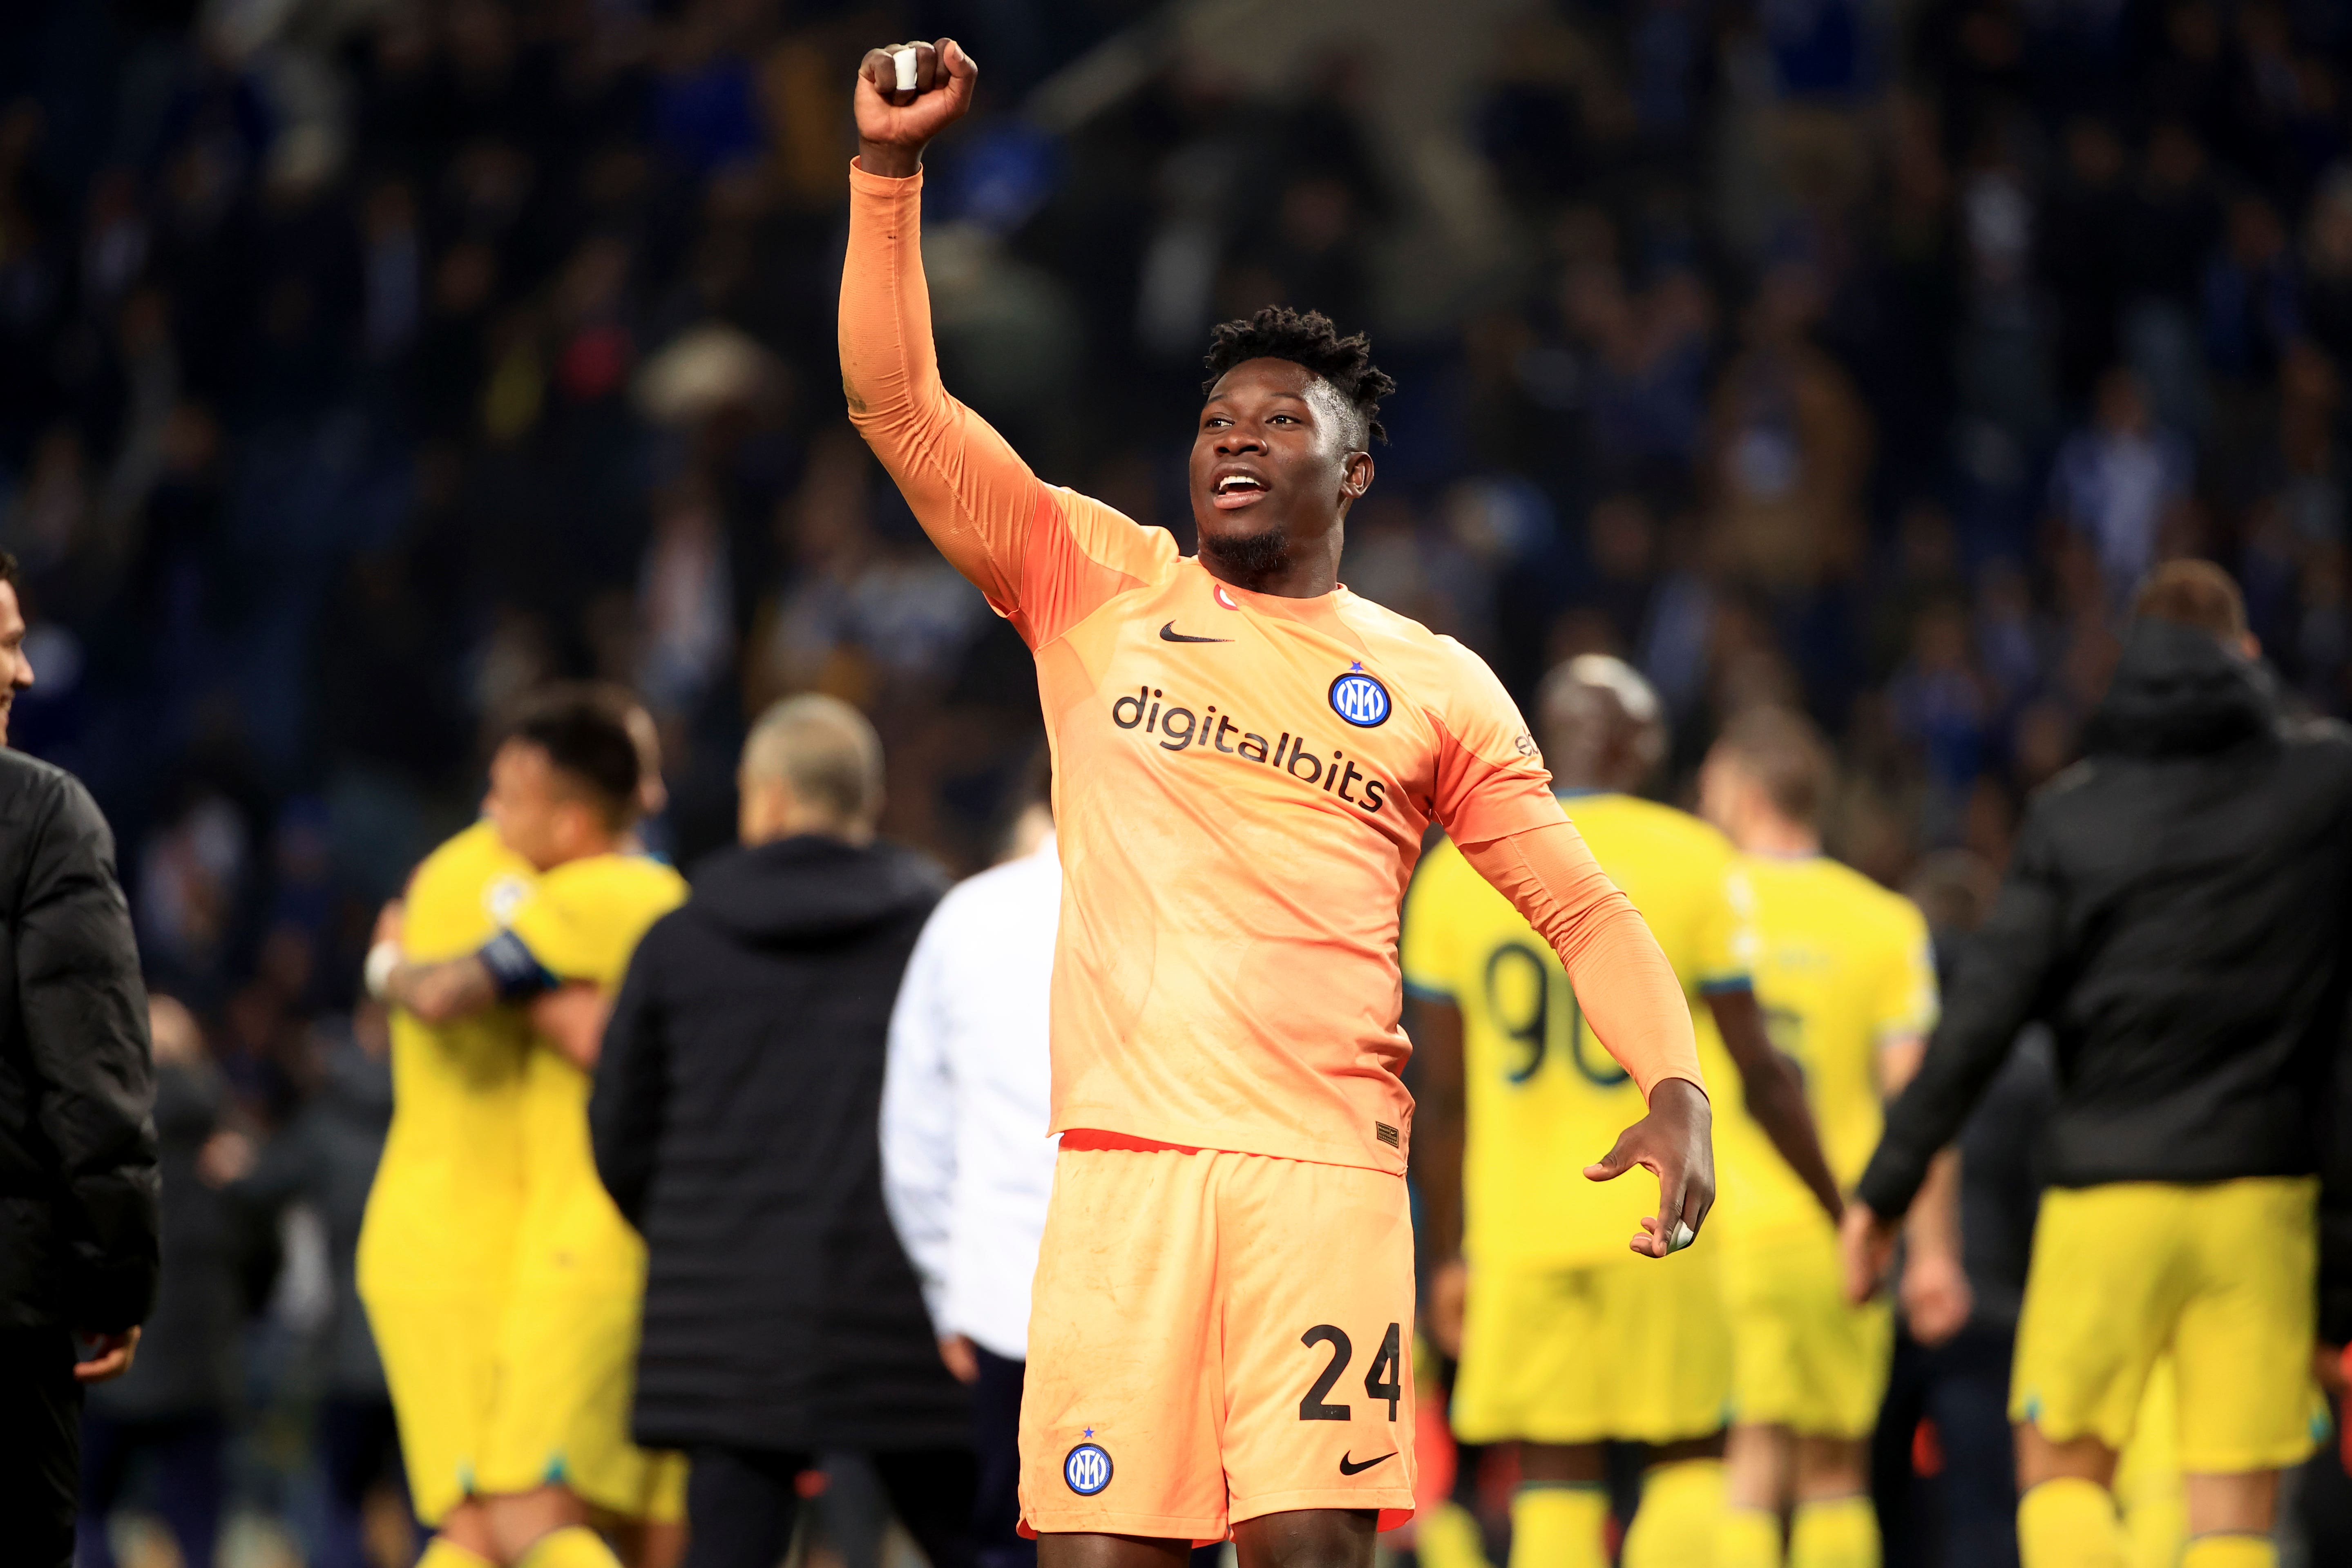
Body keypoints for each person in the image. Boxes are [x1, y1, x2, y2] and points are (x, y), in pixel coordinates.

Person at [846, 45, 1711, 1568]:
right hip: (1122, 1170)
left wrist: (1671, 1083)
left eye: (1276, 422)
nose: (1232, 438)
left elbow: (1579, 904)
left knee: (1307, 1553)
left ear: (1355, 469)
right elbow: (900, 407)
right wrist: (886, 177)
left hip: (1322, 1179)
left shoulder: (1431, 681)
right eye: (1213, 423)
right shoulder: (1093, 584)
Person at [1845, 560, 2352, 1568]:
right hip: (2258, 1203)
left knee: (2064, 1475)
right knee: (2231, 1512)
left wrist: (1884, 1191)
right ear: (2247, 657)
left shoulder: (2070, 814)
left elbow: (1976, 1022)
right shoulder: (2325, 788)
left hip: (2102, 1200)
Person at [1403, 656, 1841, 1568]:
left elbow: (1440, 1099)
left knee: (1552, 1475)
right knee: (1688, 1455)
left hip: (1518, 1229)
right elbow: (1758, 1072)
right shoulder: (1696, 859)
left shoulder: (1452, 874)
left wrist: (1443, 1253)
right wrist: (1837, 1204)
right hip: (1660, 1215)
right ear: (1640, 745)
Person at [592, 694, 973, 1568]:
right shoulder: (939, 928)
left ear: (763, 797)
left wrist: (693, 1236)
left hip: (728, 1325)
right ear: (867, 802)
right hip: (908, 1318)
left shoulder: (677, 941)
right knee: (981, 1547)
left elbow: (617, 1132)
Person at [368, 687, 688, 1568]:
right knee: (512, 1519)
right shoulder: (541, 877)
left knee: (503, 1521)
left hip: (544, 1246)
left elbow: (572, 1030)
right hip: (514, 1244)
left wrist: (386, 962)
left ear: (569, 812)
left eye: (509, 791)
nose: (494, 809)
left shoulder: (574, 884)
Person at [1695, 707, 1963, 1568]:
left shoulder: (1701, 902)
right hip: (1842, 1224)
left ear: (1740, 790)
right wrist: (1930, 1250)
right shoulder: (1884, 922)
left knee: (1744, 1456)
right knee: (1835, 1468)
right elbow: (1916, 1102)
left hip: (1718, 1229)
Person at [0, 548, 157, 1568]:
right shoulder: (41, 817)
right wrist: (115, 1281)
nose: (19, 672)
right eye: (3, 645)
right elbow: (92, 1081)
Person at [882, 758, 1059, 1568]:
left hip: (1003, 1294)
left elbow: (914, 1134)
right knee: (1172, 1534)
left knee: (1009, 1534)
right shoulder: (1201, 909)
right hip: (1163, 1295)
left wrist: (942, 1283)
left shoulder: (968, 915)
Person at [78, 995, 251, 1568]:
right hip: (203, 1369)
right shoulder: (228, 1153)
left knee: (85, 1516)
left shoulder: (93, 1143)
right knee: (198, 1530)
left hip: (110, 1368)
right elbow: (263, 1258)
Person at [238, 1003, 407, 1568]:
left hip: (346, 1347)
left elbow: (261, 1184)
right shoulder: (430, 1118)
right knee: (431, 1509)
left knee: (336, 1502)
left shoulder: (325, 1119)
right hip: (425, 1344)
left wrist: (236, 1159)